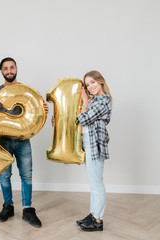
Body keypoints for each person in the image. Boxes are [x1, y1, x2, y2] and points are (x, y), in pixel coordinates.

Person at [0, 57, 48, 228]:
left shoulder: (27, 91)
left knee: (26, 175)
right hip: (3, 141)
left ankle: (28, 209)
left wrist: (44, 111)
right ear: (1, 71)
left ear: (16, 69)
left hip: (23, 141)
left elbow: (36, 114)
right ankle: (8, 206)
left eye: (12, 67)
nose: (9, 71)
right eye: (5, 68)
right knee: (5, 175)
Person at [76, 70, 112, 232]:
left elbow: (84, 119)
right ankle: (93, 214)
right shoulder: (95, 101)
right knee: (93, 183)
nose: (90, 87)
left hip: (95, 146)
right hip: (89, 145)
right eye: (87, 84)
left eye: (92, 82)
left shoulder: (102, 101)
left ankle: (98, 220)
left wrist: (84, 103)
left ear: (101, 82)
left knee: (97, 184)